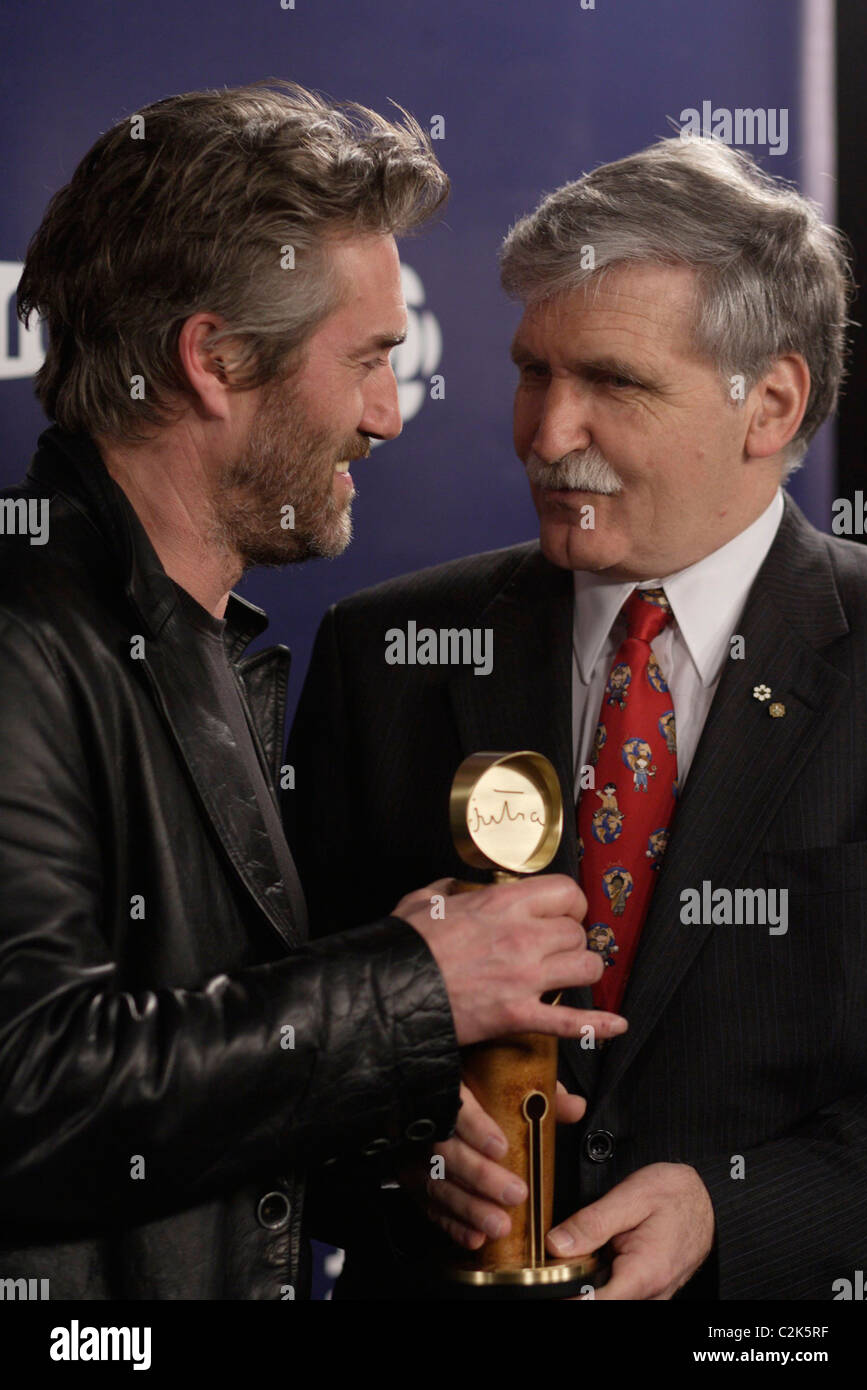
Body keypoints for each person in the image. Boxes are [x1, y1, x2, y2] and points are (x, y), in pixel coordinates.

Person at [0, 81, 616, 1301]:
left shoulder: (187, 643)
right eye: (371, 359)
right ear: (216, 359)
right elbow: (31, 1094)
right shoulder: (26, 641)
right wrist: (413, 983)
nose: (391, 415)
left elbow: (182, 1102)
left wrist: (392, 1126)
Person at [288, 136, 867, 1300]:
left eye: (611, 382)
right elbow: (274, 1046)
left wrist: (734, 1208)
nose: (546, 435)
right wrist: (396, 1142)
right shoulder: (384, 652)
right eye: (531, 373)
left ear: (768, 403)